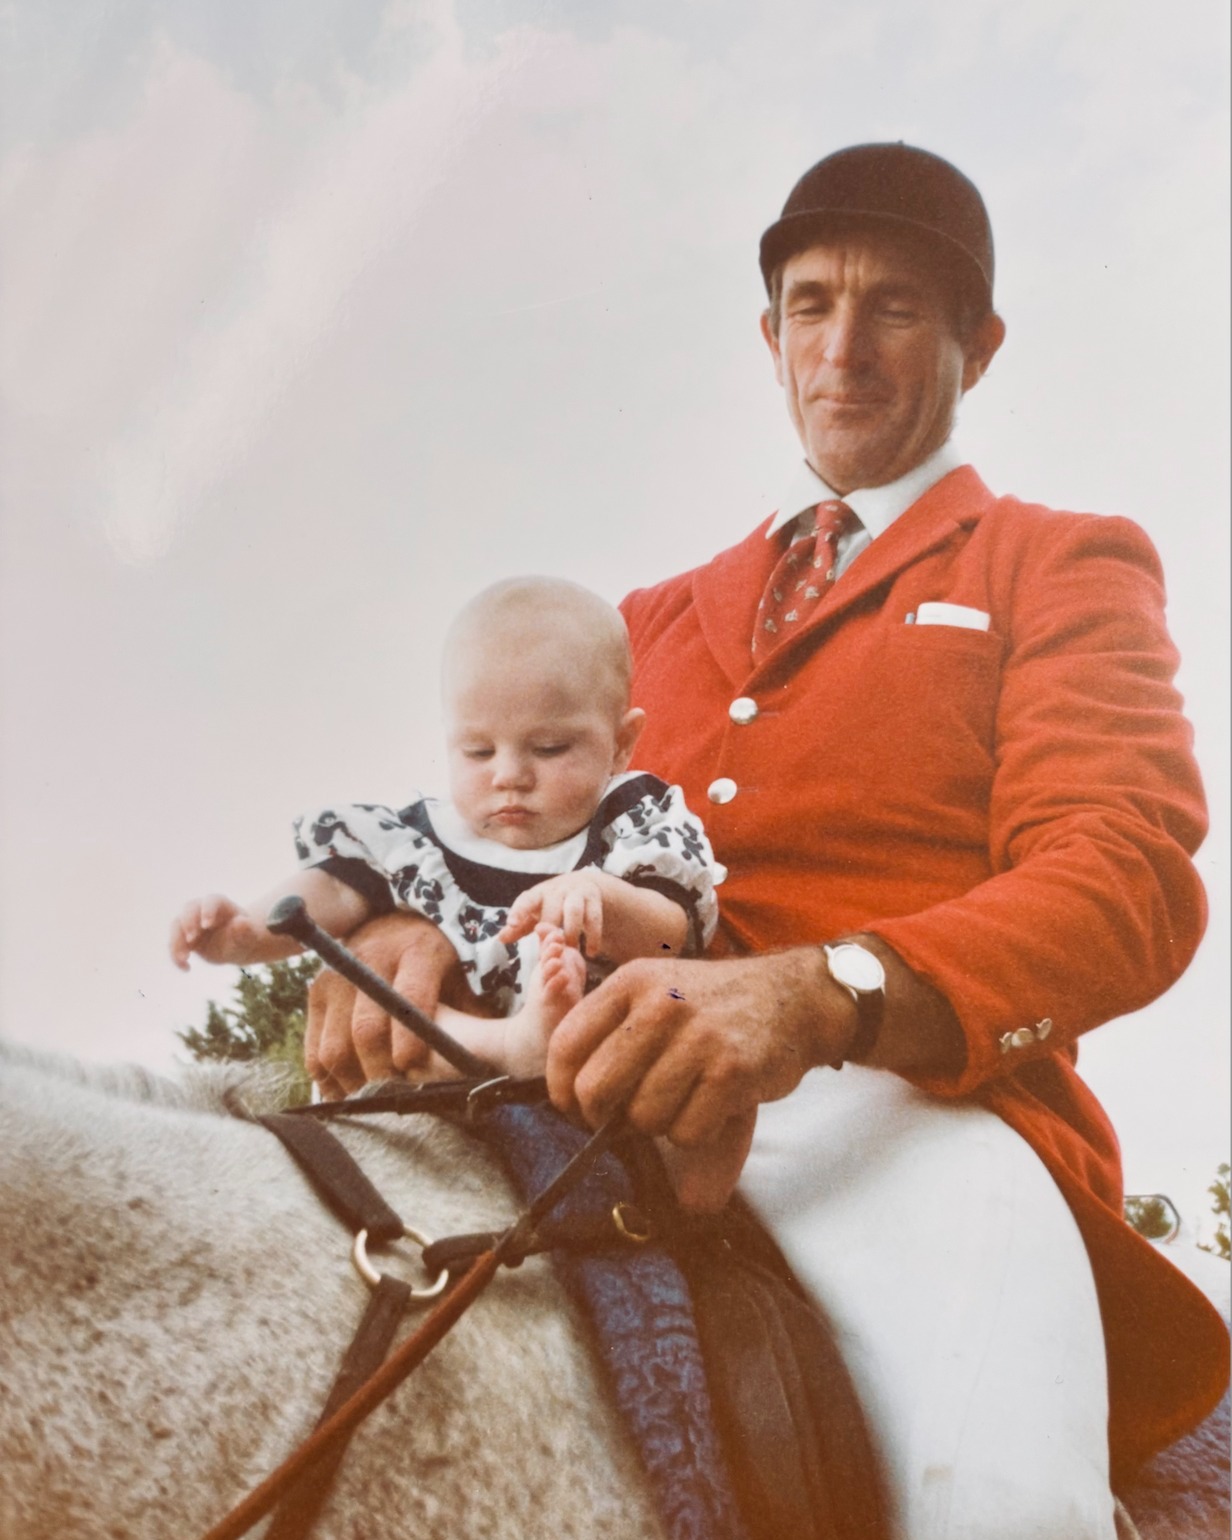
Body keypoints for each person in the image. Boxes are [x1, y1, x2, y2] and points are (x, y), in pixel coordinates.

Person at [299, 145, 1229, 1537]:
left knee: (995, 1495)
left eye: (896, 309)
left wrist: (824, 990)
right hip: (578, 1074)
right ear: (769, 334)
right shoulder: (648, 620)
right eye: (810, 305)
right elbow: (524, 832)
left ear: (979, 343)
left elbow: (1125, 880)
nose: (842, 349)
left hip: (915, 1116)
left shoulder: (1060, 560)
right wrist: (411, 929)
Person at [169, 576, 744, 1207]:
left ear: (621, 743)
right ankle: (514, 1046)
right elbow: (332, 889)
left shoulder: (634, 821)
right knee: (397, 1023)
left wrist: (603, 896)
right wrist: (246, 932)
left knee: (697, 1074)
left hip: (592, 1071)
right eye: (477, 750)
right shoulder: (427, 839)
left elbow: (677, 926)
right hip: (445, 1077)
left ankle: (687, 1215)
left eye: (550, 748)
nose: (509, 775)